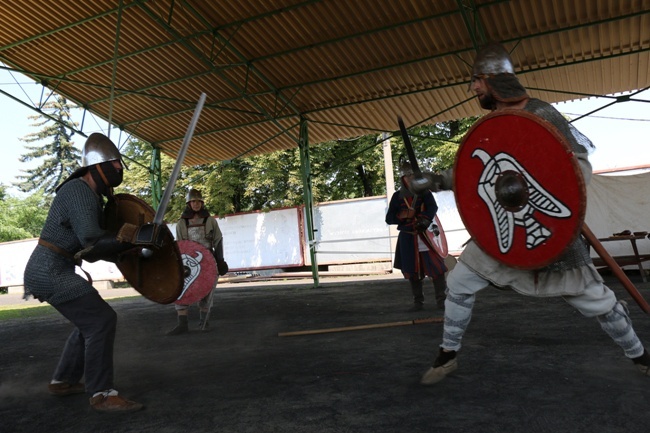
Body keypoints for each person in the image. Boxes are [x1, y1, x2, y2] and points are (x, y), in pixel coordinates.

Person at [420, 42, 650, 385]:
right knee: (460, 282)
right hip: (502, 235)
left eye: (477, 80)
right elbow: (475, 175)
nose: (474, 88)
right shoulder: (494, 124)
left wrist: (552, 194)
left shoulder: (540, 114)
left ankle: (641, 357)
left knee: (598, 301)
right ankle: (447, 355)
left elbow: (579, 165)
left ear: (494, 79)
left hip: (548, 231)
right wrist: (435, 180)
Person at [23, 133, 156, 412]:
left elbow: (94, 252)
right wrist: (126, 238)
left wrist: (128, 248)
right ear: (97, 167)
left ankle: (63, 380)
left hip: (55, 267)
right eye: (115, 164)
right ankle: (102, 394)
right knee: (101, 319)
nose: (119, 169)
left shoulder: (91, 195)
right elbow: (91, 239)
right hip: (50, 269)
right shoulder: (78, 190)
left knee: (90, 320)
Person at [386, 160, 447, 312]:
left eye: (412, 175)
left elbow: (433, 208)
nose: (410, 179)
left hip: (425, 236)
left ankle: (442, 301)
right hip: (408, 238)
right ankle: (418, 303)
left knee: (437, 269)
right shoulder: (397, 197)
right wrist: (403, 215)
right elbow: (389, 218)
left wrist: (424, 219)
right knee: (413, 272)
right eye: (407, 176)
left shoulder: (425, 193)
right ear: (403, 179)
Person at [166, 188, 228, 335]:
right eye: (193, 201)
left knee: (207, 289)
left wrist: (220, 260)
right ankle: (182, 324)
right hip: (188, 261)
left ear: (202, 203)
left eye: (198, 201)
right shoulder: (182, 223)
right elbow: (180, 245)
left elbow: (218, 240)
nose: (196, 204)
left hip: (208, 260)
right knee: (182, 288)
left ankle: (204, 322)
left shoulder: (210, 221)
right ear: (189, 203)